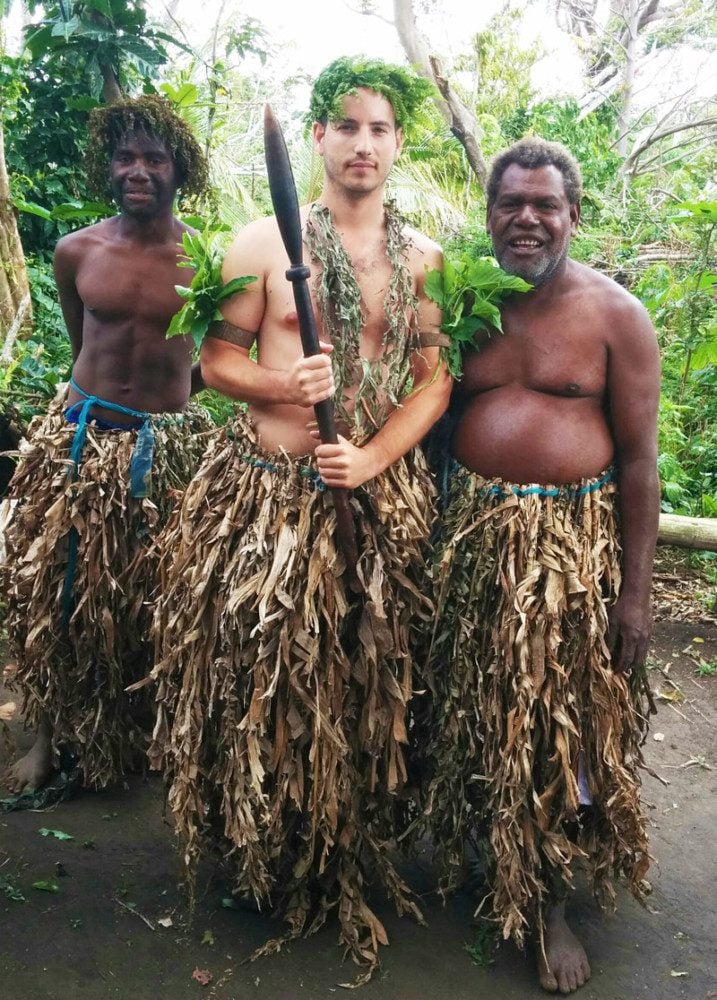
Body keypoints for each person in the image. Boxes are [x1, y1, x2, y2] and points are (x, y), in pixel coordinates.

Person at [149, 56, 450, 979]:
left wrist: (369, 457)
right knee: (262, 681)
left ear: (397, 145)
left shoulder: (428, 260)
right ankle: (262, 848)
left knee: (369, 677)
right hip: (267, 503)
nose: (362, 144)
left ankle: (348, 845)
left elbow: (435, 380)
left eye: (379, 129)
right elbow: (214, 361)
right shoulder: (259, 245)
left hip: (373, 498)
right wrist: (286, 381)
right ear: (316, 138)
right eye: (346, 126)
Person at [426, 137, 660, 994]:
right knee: (475, 712)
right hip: (474, 542)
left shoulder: (613, 316)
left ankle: (552, 898)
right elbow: (425, 421)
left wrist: (632, 594)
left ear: (571, 215)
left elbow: (639, 462)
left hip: (570, 554)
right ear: (489, 212)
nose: (525, 220)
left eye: (544, 206)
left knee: (562, 727)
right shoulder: (464, 307)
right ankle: (486, 858)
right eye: (510, 205)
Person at [2, 96, 214, 795]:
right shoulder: (77, 251)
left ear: (179, 166)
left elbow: (220, 356)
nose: (138, 170)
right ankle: (47, 737)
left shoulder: (205, 263)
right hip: (80, 445)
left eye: (153, 157)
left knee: (161, 596)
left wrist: (176, 403)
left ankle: (147, 727)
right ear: (108, 166)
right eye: (125, 157)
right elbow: (80, 342)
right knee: (56, 596)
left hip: (168, 449)